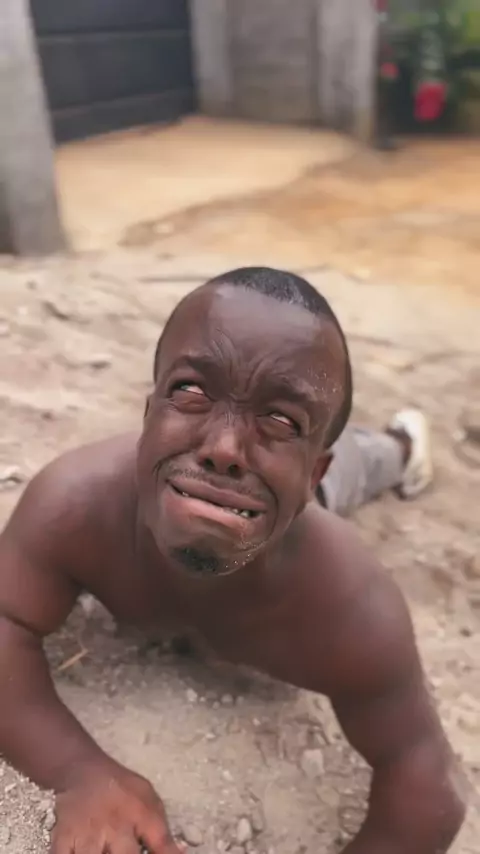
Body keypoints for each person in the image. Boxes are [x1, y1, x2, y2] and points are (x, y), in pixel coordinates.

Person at [0, 268, 464, 854]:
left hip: (308, 502)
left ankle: (401, 446)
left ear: (311, 470)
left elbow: (427, 782)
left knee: (360, 466)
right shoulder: (74, 507)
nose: (224, 448)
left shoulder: (349, 605)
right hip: (266, 492)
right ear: (147, 416)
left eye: (282, 420)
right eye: (191, 391)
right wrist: (79, 771)